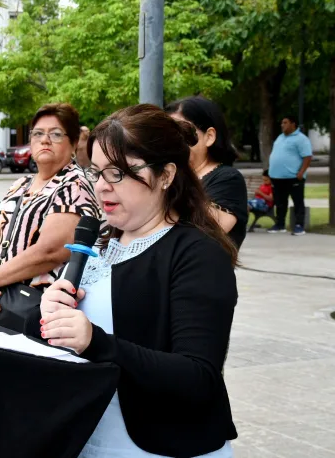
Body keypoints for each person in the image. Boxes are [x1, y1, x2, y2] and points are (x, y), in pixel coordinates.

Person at [40, 104, 238, 458]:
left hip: (163, 446)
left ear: (166, 175)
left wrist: (95, 342)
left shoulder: (198, 253)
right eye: (97, 172)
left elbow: (198, 376)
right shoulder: (98, 244)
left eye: (119, 172)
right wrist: (43, 314)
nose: (102, 187)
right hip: (87, 438)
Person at [0, 103, 101, 320]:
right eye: (38, 133)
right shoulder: (20, 184)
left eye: (56, 134)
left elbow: (50, 251)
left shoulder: (74, 185)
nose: (45, 140)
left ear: (74, 143)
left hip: (38, 310)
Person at [166, 96, 248, 249]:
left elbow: (213, 227)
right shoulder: (169, 176)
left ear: (209, 136)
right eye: (168, 133)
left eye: (182, 131)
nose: (173, 140)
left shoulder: (228, 178)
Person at [267, 114, 312, 236]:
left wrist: (301, 172)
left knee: (298, 201)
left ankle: (299, 226)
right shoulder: (280, 138)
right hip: (277, 177)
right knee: (280, 202)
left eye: (285, 122)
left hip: (293, 177)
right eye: (282, 123)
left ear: (293, 124)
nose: (282, 125)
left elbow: (307, 156)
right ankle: (280, 224)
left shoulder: (301, 139)